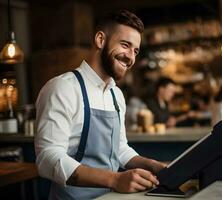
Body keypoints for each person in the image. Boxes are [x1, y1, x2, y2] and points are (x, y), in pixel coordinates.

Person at [34, 10, 166, 200]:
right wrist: (114, 179)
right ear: (100, 40)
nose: (131, 57)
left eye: (135, 50)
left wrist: (152, 165)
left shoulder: (116, 95)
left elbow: (119, 149)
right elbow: (48, 158)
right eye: (125, 45)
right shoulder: (63, 88)